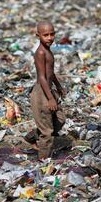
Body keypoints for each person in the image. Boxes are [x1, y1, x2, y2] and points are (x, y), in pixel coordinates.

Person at [30, 22, 66, 159]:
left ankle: (32, 137)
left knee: (60, 119)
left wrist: (58, 86)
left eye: (52, 34)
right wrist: (50, 98)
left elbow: (50, 73)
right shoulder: (40, 52)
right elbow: (42, 77)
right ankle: (43, 160)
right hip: (41, 93)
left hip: (49, 89)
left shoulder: (48, 50)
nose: (50, 38)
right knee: (47, 131)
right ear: (38, 35)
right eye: (45, 35)